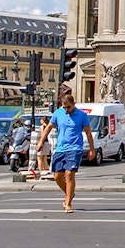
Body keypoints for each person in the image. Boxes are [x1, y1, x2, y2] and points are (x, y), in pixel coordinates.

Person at [35, 85, 95, 213]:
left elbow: (89, 133)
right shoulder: (58, 113)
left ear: (74, 104)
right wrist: (40, 141)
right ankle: (69, 193)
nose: (67, 109)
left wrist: (92, 149)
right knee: (57, 176)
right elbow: (49, 127)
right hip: (60, 148)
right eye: (64, 107)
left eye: (69, 107)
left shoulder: (82, 115)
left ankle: (68, 203)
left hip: (75, 148)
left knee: (69, 174)